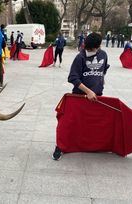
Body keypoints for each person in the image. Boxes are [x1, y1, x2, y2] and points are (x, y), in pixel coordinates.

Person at [53, 32, 110, 160]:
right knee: (68, 123)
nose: (90, 51)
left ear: (98, 47)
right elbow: (72, 77)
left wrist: (101, 80)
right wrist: (87, 91)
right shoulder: (80, 57)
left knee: (93, 124)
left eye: (92, 49)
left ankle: (91, 145)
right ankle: (60, 146)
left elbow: (104, 69)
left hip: (97, 96)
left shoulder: (103, 54)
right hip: (79, 97)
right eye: (87, 49)